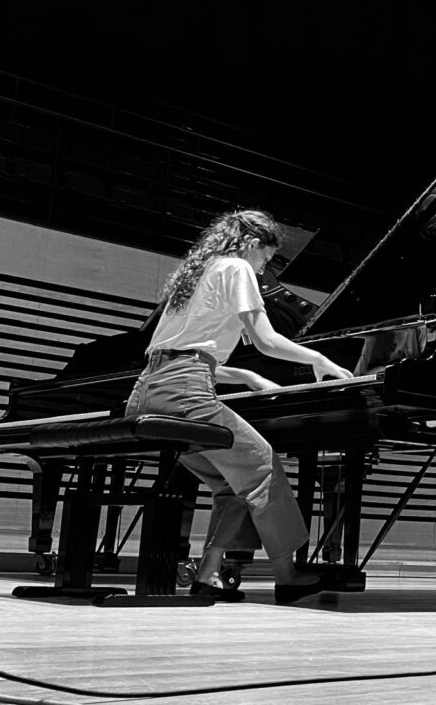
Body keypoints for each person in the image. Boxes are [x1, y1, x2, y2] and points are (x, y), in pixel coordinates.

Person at [124, 209, 353, 604]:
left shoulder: (196, 274)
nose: (266, 267)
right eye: (267, 257)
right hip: (186, 392)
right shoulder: (237, 267)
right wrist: (319, 359)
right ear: (251, 244)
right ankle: (287, 575)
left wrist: (245, 377)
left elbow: (181, 352)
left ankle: (206, 577)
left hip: (147, 390)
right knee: (264, 464)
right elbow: (265, 340)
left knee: (231, 486)